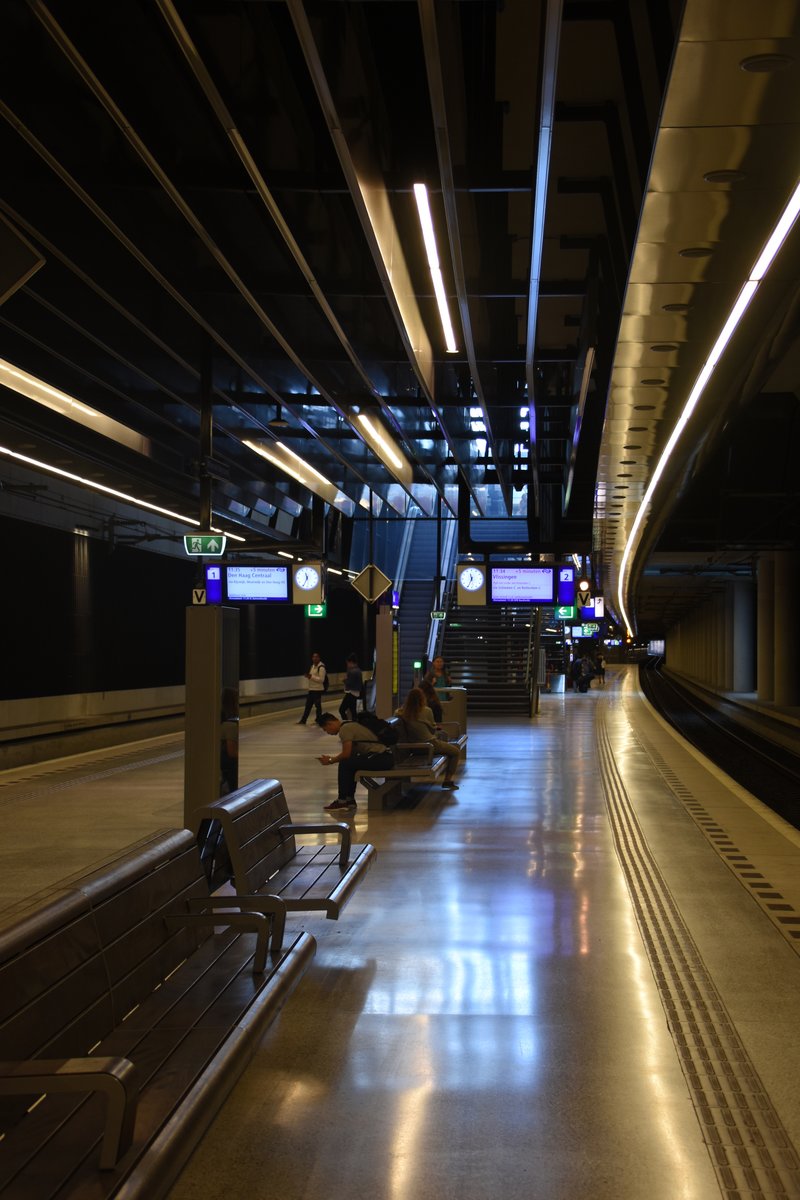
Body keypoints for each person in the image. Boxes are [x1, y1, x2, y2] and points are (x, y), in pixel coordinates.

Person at [316, 712, 394, 811]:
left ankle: (343, 800)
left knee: (345, 763)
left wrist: (330, 760)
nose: (327, 732)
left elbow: (346, 754)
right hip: (384, 757)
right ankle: (349, 799)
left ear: (330, 723)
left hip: (380, 758)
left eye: (325, 729)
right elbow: (350, 754)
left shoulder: (345, 729)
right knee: (349, 763)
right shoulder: (349, 724)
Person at [397, 686, 460, 791]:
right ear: (422, 699)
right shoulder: (426, 711)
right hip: (430, 745)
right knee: (455, 751)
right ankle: (447, 780)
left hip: (414, 748)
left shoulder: (401, 712)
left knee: (444, 743)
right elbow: (432, 730)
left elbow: (397, 713)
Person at [298, 651, 327, 724]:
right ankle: (303, 720)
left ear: (319, 658)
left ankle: (319, 719)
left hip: (317, 690)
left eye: (316, 657)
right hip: (311, 689)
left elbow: (321, 680)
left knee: (317, 706)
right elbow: (312, 677)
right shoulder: (312, 666)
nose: (314, 658)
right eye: (313, 657)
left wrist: (311, 676)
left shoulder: (321, 667)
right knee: (308, 705)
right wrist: (308, 676)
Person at [339, 653, 363, 722]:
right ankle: (354, 724)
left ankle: (346, 724)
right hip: (356, 693)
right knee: (353, 711)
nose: (347, 665)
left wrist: (344, 680)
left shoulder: (352, 671)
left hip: (351, 694)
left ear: (351, 662)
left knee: (341, 709)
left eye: (347, 663)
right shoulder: (358, 670)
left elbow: (349, 684)